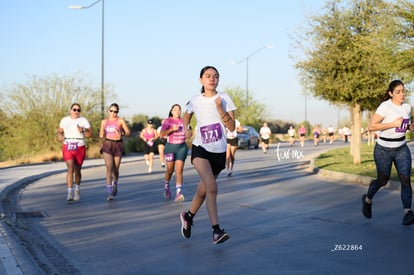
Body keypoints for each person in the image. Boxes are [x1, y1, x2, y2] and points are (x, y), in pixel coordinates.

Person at [180, 66, 235, 245]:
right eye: (208, 76)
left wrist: (220, 109)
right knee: (212, 187)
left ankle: (188, 216)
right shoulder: (195, 100)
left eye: (216, 76)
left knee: (203, 191)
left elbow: (232, 127)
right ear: (201, 80)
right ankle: (216, 231)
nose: (212, 79)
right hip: (200, 150)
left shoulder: (225, 99)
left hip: (219, 151)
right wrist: (186, 129)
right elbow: (185, 116)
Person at [361, 80, 414, 225]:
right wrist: (393, 124)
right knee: (383, 180)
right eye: (398, 92)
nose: (402, 94)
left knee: (405, 180)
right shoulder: (385, 107)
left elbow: (402, 126)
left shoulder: (407, 107)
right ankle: (367, 200)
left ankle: (408, 212)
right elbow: (372, 127)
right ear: (391, 93)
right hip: (383, 149)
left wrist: (409, 127)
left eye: (403, 91)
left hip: (401, 148)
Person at [57, 103, 92, 202]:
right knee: (70, 169)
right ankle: (69, 193)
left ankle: (77, 189)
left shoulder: (83, 120)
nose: (76, 112)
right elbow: (59, 131)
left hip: (80, 146)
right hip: (68, 145)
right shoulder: (65, 120)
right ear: (70, 110)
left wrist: (83, 130)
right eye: (74, 109)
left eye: (78, 110)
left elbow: (89, 134)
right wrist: (59, 136)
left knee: (77, 170)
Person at [99, 103, 131, 201]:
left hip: (118, 144)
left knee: (115, 168)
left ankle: (115, 183)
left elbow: (128, 133)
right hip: (108, 144)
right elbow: (101, 134)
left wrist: (121, 133)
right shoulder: (104, 121)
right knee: (109, 168)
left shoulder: (120, 121)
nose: (113, 113)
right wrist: (102, 134)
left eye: (115, 111)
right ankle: (109, 192)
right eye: (111, 111)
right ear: (108, 111)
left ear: (117, 112)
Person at [160, 104, 188, 202]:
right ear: (171, 111)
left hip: (182, 147)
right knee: (170, 170)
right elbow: (161, 134)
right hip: (170, 147)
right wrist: (172, 129)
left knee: (179, 170)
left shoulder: (184, 121)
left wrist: (189, 133)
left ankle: (178, 193)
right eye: (175, 110)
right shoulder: (168, 121)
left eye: (179, 110)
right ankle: (166, 186)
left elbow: (188, 132)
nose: (177, 111)